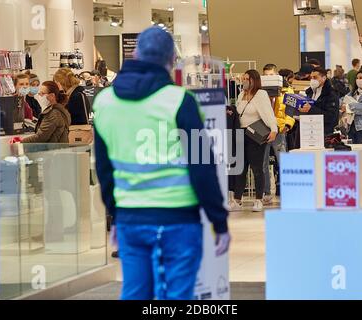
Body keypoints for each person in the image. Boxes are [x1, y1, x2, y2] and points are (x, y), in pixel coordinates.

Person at [92, 27, 230, 301]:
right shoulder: (180, 101)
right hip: (178, 220)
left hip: (132, 218)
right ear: (171, 62)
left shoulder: (104, 102)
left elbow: (104, 170)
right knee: (178, 296)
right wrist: (219, 220)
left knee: (134, 293)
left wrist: (115, 216)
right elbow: (202, 167)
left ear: (134, 53)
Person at [230, 70, 278, 212]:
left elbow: (268, 113)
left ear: (254, 80)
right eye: (243, 78)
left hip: (255, 135)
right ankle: (237, 200)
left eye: (247, 78)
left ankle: (258, 199)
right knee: (241, 169)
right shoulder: (240, 95)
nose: (244, 81)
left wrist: (274, 129)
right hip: (241, 134)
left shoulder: (261, 94)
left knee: (257, 168)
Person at [262, 64, 295, 204]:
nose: (269, 78)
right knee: (263, 162)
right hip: (263, 130)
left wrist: (288, 125)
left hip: (280, 129)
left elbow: (291, 109)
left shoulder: (287, 90)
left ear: (277, 76)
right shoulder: (260, 91)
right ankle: (266, 192)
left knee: (283, 161)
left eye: (271, 75)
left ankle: (289, 190)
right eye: (266, 75)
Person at [300, 67, 339, 136]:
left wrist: (311, 109)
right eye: (311, 78)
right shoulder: (310, 92)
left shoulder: (331, 94)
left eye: (315, 77)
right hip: (309, 130)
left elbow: (331, 117)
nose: (312, 80)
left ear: (323, 78)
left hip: (325, 132)